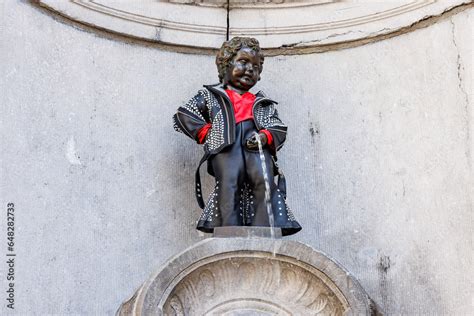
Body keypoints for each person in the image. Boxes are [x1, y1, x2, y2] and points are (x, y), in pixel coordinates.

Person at [173, 37, 301, 236]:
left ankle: (264, 230)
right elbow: (184, 115)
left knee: (264, 181)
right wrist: (207, 133)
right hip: (226, 148)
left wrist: (265, 137)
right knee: (229, 182)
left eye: (256, 67)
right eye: (243, 62)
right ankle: (228, 233)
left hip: (255, 145)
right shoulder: (211, 95)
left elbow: (278, 127)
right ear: (226, 63)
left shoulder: (262, 102)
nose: (250, 69)